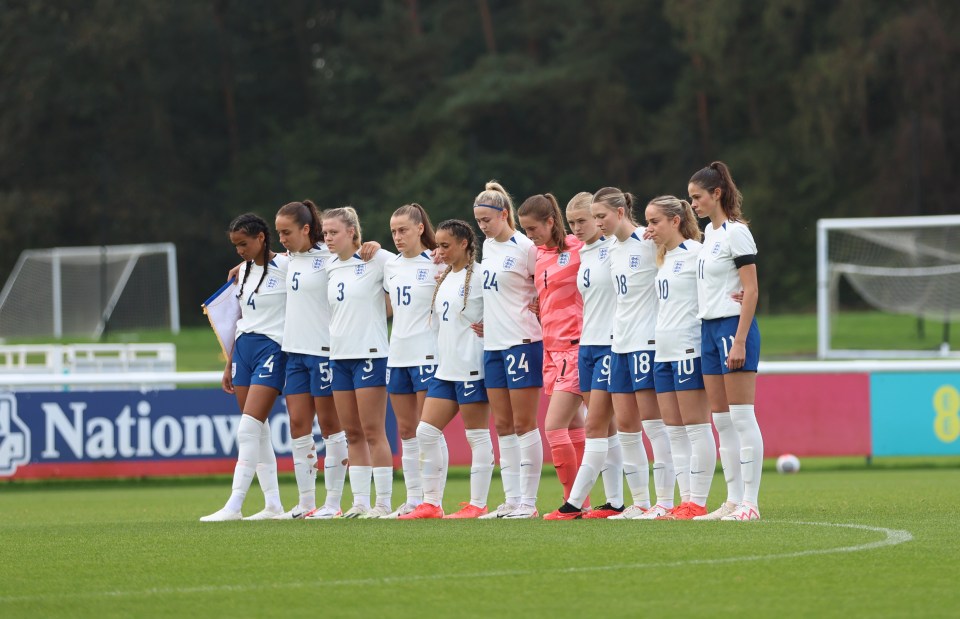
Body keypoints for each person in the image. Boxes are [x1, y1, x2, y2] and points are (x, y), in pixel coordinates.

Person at [399, 220, 495, 519]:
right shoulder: (443, 278)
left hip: (471, 367)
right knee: (426, 432)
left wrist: (489, 328)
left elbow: (503, 309)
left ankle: (478, 504)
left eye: (445, 245)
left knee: (477, 435)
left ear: (464, 244)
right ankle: (431, 503)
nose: (438, 251)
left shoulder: (480, 276)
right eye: (437, 245)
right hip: (445, 369)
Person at [592, 187, 675, 520]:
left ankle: (666, 502)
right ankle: (640, 501)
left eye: (602, 216)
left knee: (655, 425)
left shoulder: (648, 239)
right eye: (594, 217)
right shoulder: (611, 248)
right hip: (619, 344)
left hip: (646, 343)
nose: (598, 223)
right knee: (626, 426)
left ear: (621, 212)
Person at [688, 162, 764, 521]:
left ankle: (751, 502)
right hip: (708, 330)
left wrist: (740, 341)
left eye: (697, 197)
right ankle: (732, 500)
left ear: (716, 194)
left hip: (733, 330)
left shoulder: (736, 233)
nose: (693, 205)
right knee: (721, 421)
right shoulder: (708, 235)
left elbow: (751, 290)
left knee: (742, 417)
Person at [201, 213, 288, 521]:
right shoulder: (242, 272)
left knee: (248, 429)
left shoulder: (287, 267)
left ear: (261, 238)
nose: (239, 250)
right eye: (235, 245)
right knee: (259, 430)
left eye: (244, 243)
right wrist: (229, 363)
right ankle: (273, 505)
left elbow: (316, 257)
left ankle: (234, 505)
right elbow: (238, 319)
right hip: (244, 351)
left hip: (271, 348)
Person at [543, 192, 625, 520]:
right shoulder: (585, 252)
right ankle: (616, 502)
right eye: (572, 221)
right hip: (587, 346)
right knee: (607, 428)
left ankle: (574, 504)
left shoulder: (615, 248)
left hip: (609, 345)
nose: (576, 227)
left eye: (583, 220)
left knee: (597, 425)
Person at [270, 200, 349, 520]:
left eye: (287, 232)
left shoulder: (329, 257)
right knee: (299, 426)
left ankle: (333, 503)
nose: (282, 239)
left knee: (331, 427)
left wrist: (369, 245)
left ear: (306, 229)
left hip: (325, 354)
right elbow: (267, 259)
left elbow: (358, 258)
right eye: (278, 233)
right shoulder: (287, 260)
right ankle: (305, 502)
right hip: (294, 353)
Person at [473, 180, 544, 519]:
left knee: (524, 423)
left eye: (487, 219)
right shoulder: (488, 247)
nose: (482, 226)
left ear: (503, 214)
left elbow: (543, 288)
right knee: (502, 424)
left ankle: (528, 503)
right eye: (478, 221)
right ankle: (511, 499)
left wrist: (541, 310)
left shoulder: (525, 247)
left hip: (522, 341)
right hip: (494, 344)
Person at [644, 195, 717, 520]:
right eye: (646, 222)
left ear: (675, 221)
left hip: (689, 347)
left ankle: (698, 501)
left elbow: (717, 287)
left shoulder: (695, 254)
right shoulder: (664, 257)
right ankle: (684, 500)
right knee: (673, 429)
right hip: (663, 351)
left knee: (696, 427)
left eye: (654, 221)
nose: (650, 229)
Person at [323, 206, 396, 518]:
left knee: (372, 430)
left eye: (333, 232)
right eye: (325, 233)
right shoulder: (328, 265)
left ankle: (383, 503)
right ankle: (360, 502)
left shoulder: (375, 258)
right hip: (339, 357)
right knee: (351, 431)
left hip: (369, 354)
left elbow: (407, 268)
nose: (327, 238)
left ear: (352, 232)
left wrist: (380, 247)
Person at [516, 193, 588, 507]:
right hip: (550, 348)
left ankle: (571, 501)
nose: (530, 236)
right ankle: (583, 502)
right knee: (575, 425)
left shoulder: (578, 247)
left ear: (550, 221)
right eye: (525, 230)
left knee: (554, 426)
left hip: (575, 346)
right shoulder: (536, 254)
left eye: (534, 229)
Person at [382, 203, 447, 518]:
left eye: (403, 230)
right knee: (406, 431)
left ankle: (433, 500)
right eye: (393, 231)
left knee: (428, 429)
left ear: (420, 228)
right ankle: (412, 499)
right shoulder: (389, 265)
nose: (397, 236)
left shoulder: (437, 263)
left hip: (428, 354)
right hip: (397, 356)